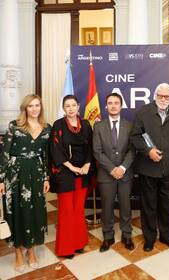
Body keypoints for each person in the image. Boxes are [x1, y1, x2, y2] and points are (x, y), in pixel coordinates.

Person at [0, 94, 51, 272]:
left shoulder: (47, 129)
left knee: (35, 210)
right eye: (31, 106)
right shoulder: (15, 126)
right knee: (16, 212)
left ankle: (31, 251)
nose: (34, 109)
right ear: (25, 108)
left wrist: (46, 177)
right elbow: (5, 153)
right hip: (15, 175)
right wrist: (1, 179)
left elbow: (46, 156)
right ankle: (18, 253)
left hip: (36, 175)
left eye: (37, 105)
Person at [130, 83, 169, 252]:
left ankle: (166, 237)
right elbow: (135, 137)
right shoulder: (143, 112)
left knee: (166, 205)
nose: (164, 99)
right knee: (149, 205)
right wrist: (148, 151)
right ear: (155, 96)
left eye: (167, 97)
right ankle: (149, 238)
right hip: (148, 168)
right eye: (161, 96)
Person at [49, 95, 93, 259]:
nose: (71, 108)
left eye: (73, 105)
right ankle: (66, 248)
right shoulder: (58, 125)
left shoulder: (86, 124)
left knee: (78, 210)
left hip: (83, 173)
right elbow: (56, 150)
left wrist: (87, 164)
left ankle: (79, 243)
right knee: (67, 211)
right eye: (67, 106)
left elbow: (91, 147)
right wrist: (72, 167)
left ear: (78, 106)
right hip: (65, 173)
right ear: (63, 108)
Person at [93, 93, 135, 252]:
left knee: (126, 206)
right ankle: (108, 237)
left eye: (116, 103)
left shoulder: (130, 126)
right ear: (106, 106)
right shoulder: (98, 126)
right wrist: (112, 169)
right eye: (110, 103)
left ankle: (127, 235)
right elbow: (97, 151)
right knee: (107, 207)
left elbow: (132, 151)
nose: (113, 106)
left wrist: (122, 168)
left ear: (121, 106)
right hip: (106, 175)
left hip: (125, 174)